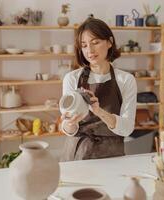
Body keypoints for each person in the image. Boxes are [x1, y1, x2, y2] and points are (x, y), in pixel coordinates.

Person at [60, 17, 137, 161]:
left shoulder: (126, 80)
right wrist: (69, 124)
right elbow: (68, 129)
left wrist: (99, 111)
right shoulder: (72, 79)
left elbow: (127, 128)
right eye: (84, 45)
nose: (90, 50)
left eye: (95, 42)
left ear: (109, 42)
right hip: (78, 155)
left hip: (112, 156)